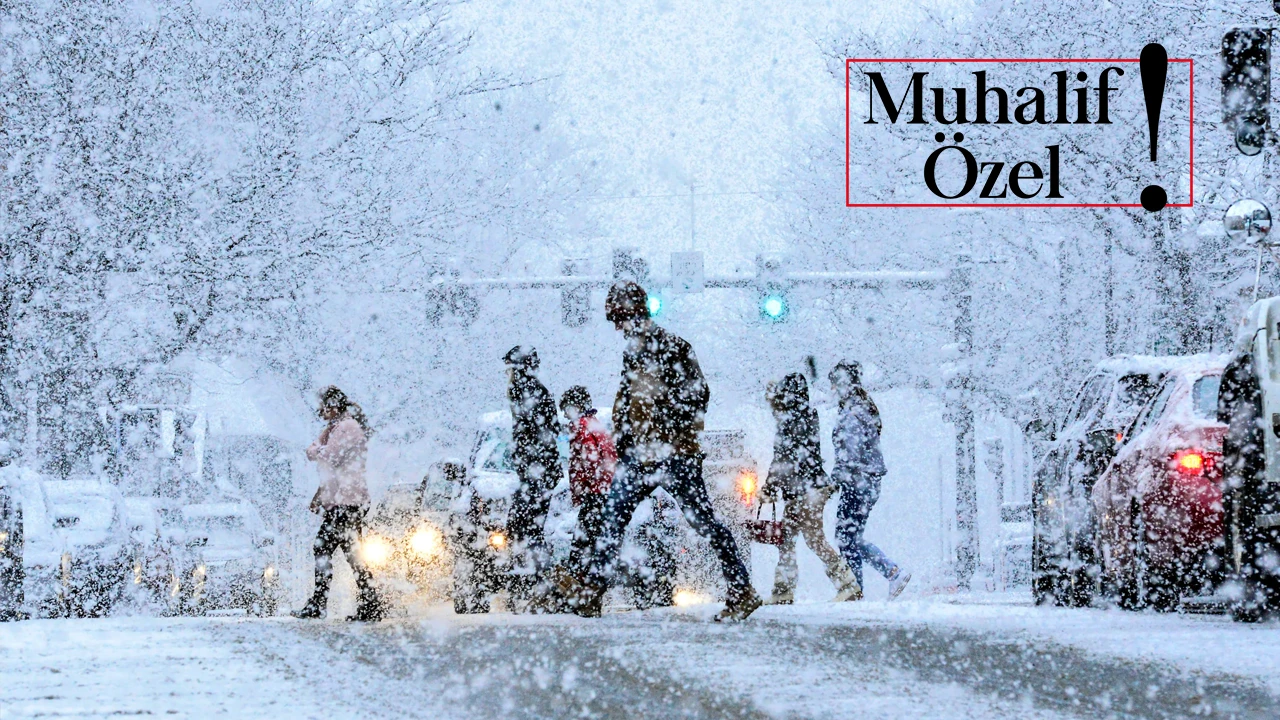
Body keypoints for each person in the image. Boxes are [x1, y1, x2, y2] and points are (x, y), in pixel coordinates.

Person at [576, 281, 761, 621]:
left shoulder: (673, 346)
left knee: (701, 521)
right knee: (612, 520)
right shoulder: (634, 350)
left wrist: (664, 422)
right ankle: (590, 591)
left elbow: (698, 394)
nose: (617, 328)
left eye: (619, 319)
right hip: (641, 455)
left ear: (633, 313)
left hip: (672, 453)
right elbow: (632, 400)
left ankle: (742, 589)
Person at [761, 373, 862, 604]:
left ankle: (848, 584)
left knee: (813, 538)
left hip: (807, 489)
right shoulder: (805, 414)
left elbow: (783, 458)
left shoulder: (791, 419)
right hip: (807, 487)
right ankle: (783, 590)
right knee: (786, 537)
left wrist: (769, 486)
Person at [292, 386, 384, 621]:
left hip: (348, 502)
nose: (320, 411)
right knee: (352, 554)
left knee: (326, 549)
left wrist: (317, 449)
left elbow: (329, 456)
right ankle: (369, 601)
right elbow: (315, 451)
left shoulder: (347, 428)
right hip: (341, 502)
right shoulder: (334, 428)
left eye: (323, 406)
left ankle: (322, 604)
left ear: (332, 406)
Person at [828, 361, 911, 599]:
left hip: (857, 482)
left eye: (834, 384)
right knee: (851, 537)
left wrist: (835, 479)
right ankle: (884, 576)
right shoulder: (862, 408)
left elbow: (850, 454)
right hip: (867, 482)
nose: (832, 390)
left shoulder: (852, 413)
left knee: (846, 538)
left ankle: (862, 587)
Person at [502, 346, 562, 605]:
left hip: (537, 473)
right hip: (537, 473)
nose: (508, 374)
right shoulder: (535, 391)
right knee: (524, 528)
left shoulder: (527, 392)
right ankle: (536, 582)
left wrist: (527, 461)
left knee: (525, 528)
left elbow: (537, 435)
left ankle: (540, 583)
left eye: (511, 369)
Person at [560, 386, 617, 577]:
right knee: (595, 539)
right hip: (605, 490)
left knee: (582, 540)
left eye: (567, 410)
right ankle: (589, 579)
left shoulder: (581, 426)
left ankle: (578, 581)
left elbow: (591, 459)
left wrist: (589, 488)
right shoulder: (594, 423)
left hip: (596, 492)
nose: (567, 416)